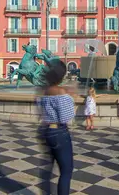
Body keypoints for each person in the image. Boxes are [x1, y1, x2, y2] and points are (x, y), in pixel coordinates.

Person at [38, 59, 74, 195]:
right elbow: (66, 117)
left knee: (48, 168)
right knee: (66, 170)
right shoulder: (60, 92)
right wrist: (70, 97)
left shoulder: (44, 90)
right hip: (59, 132)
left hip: (46, 130)